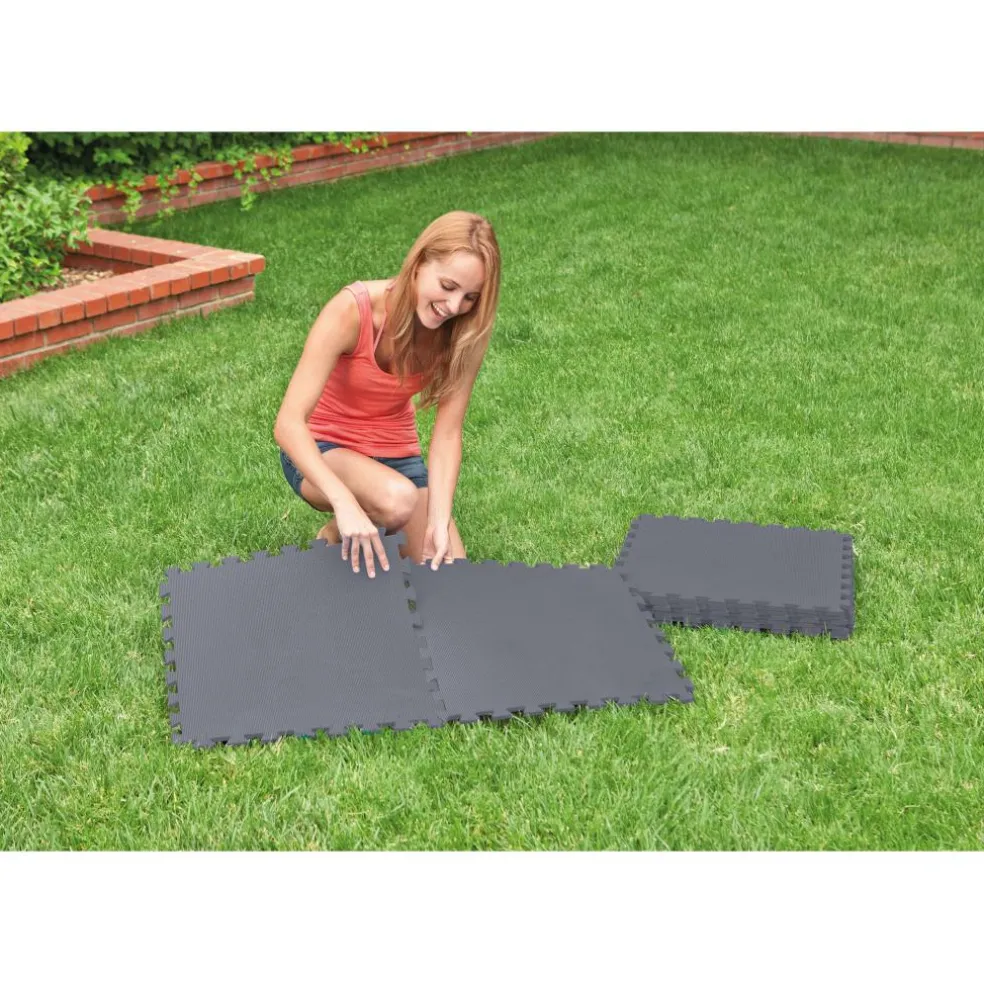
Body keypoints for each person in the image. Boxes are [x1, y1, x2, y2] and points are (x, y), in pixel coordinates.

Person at [274, 210, 501, 579]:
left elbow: (447, 434)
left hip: (396, 455)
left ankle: (344, 533)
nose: (454, 306)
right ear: (419, 264)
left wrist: (439, 520)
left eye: (469, 297)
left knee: (453, 579)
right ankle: (345, 523)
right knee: (397, 500)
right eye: (447, 286)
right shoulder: (353, 309)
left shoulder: (465, 333)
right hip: (321, 449)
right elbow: (288, 424)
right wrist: (343, 502)